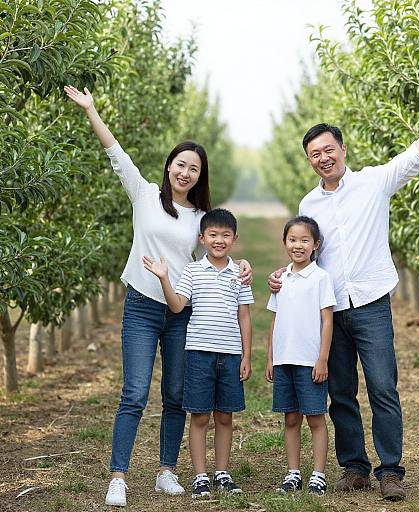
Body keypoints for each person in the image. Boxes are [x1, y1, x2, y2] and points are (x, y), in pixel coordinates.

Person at [269, 82, 419, 500]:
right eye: (315, 155)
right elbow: (307, 254)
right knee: (340, 391)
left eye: (328, 150)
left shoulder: (374, 182)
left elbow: (415, 157)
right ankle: (354, 467)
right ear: (310, 161)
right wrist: (283, 277)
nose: (323, 158)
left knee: (382, 387)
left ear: (342, 149)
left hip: (372, 303)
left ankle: (391, 471)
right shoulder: (310, 204)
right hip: (332, 309)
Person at [63, 86, 251, 507]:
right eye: (180, 164)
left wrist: (244, 267)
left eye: (194, 169)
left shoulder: (201, 218)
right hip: (142, 308)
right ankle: (119, 476)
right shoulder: (144, 193)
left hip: (182, 311)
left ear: (200, 177)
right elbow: (114, 150)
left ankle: (167, 469)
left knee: (175, 395)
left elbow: (217, 253)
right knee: (133, 392)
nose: (185, 173)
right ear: (168, 167)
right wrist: (92, 109)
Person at [143, 208, 253, 499]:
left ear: (234, 239)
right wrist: (164, 278)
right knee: (200, 417)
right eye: (213, 235)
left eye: (225, 235)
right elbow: (178, 306)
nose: (219, 240)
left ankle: (222, 472)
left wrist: (246, 355)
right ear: (202, 238)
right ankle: (200, 476)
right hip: (198, 354)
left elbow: (244, 316)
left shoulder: (239, 273)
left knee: (225, 416)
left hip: (230, 354)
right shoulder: (192, 271)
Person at [265, 216, 336, 495]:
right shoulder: (282, 279)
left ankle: (318, 474)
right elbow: (276, 319)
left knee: (315, 417)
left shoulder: (320, 278)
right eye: (292, 240)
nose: (298, 245)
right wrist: (271, 356)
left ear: (315, 244)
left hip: (309, 362)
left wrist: (322, 359)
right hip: (285, 360)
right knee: (290, 418)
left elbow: (327, 321)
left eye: (305, 240)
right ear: (285, 243)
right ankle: (293, 472)